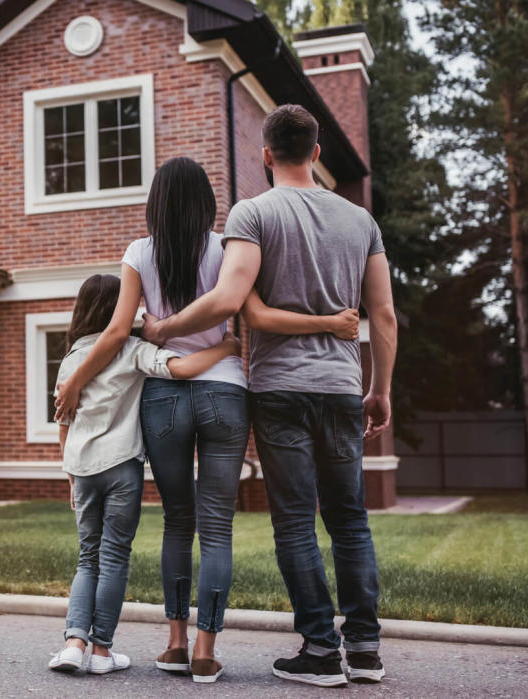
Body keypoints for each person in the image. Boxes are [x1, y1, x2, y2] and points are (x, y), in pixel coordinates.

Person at [54, 157, 360, 684]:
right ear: (207, 204)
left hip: (164, 397)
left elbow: (115, 333)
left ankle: (173, 644)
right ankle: (204, 651)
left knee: (178, 520)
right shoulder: (228, 248)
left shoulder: (138, 253)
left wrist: (78, 379)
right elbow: (251, 310)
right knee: (217, 527)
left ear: (155, 202)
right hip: (224, 391)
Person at [139, 105, 398, 687]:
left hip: (279, 389)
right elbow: (382, 312)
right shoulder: (361, 221)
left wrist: (164, 328)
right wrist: (379, 388)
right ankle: (365, 649)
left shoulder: (253, 214)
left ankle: (320, 651)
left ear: (265, 155)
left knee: (297, 525)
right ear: (317, 151)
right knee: (351, 520)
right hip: (339, 388)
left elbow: (231, 300)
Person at [47, 273, 241, 676]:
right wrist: (226, 347)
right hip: (122, 470)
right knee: (114, 557)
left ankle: (72, 643)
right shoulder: (133, 350)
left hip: (82, 471)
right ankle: (101, 652)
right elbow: (184, 368)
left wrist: (70, 477)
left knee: (88, 558)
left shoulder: (70, 360)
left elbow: (63, 423)